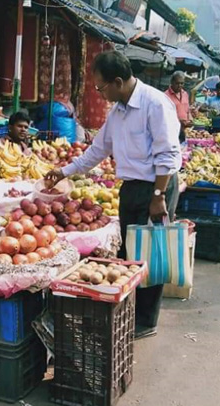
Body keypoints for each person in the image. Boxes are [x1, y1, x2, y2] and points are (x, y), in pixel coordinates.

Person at [43, 51, 181, 340]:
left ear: (117, 81)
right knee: (129, 253)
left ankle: (146, 319)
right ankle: (129, 310)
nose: (100, 94)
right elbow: (97, 150)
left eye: (101, 88)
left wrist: (158, 195)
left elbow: (168, 153)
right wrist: (65, 171)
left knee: (150, 253)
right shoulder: (118, 112)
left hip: (156, 185)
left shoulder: (155, 104)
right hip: (131, 187)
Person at [163, 71, 193, 143]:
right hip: (171, 131)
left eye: (182, 83)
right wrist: (178, 121)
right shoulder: (165, 96)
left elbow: (187, 110)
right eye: (177, 83)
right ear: (172, 82)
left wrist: (190, 119)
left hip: (184, 130)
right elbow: (164, 116)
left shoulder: (185, 94)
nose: (180, 85)